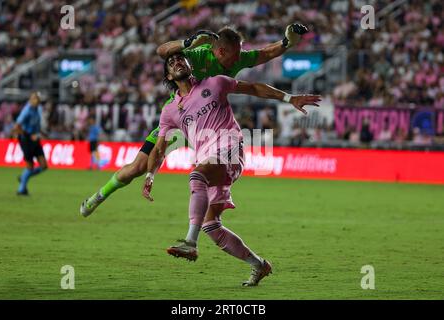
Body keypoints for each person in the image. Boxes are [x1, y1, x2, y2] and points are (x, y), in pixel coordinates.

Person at [80, 23, 309, 217]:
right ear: (219, 52)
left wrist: (286, 42)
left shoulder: (236, 58)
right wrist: (186, 43)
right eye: (235, 55)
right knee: (137, 168)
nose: (240, 59)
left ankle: (205, 226)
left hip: (208, 125)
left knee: (214, 164)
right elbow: (163, 52)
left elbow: (265, 53)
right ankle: (98, 196)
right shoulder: (198, 56)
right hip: (179, 120)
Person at [143, 52, 321, 286]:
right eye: (171, 62)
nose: (177, 62)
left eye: (181, 59)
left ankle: (189, 242)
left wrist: (288, 98)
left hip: (230, 147)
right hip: (207, 157)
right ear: (168, 75)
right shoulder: (170, 111)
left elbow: (254, 88)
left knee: (197, 175)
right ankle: (259, 265)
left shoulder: (214, 82)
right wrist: (149, 174)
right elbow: (159, 148)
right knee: (211, 225)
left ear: (189, 65)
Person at [13, 92, 48, 195]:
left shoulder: (38, 109)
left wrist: (41, 133)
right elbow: (17, 127)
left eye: (37, 99)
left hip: (35, 138)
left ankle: (24, 177)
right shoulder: (26, 111)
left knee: (44, 165)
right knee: (30, 166)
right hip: (26, 140)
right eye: (33, 99)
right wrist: (29, 135)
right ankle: (21, 190)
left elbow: (37, 124)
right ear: (30, 100)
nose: (36, 101)